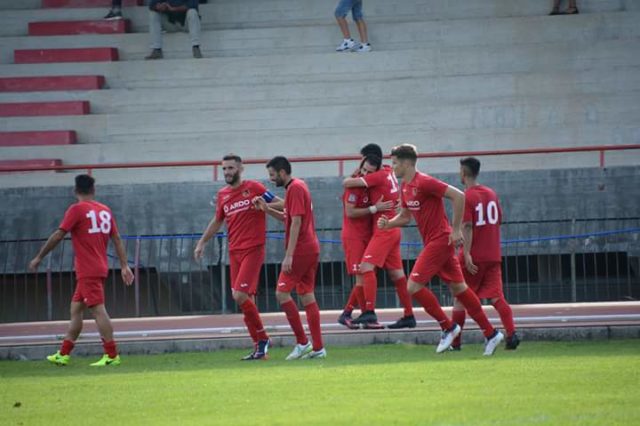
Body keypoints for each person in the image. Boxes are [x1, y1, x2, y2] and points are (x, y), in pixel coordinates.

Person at [378, 144, 504, 355]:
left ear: (407, 163)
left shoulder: (424, 181)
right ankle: (491, 334)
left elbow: (459, 196)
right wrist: (388, 223)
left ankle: (448, 327)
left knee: (412, 287)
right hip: (434, 242)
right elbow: (406, 216)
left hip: (440, 240)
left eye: (395, 163)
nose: (393, 168)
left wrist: (455, 230)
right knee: (460, 289)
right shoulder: (405, 187)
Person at [28, 175, 134, 366]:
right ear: (94, 190)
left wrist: (39, 257)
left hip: (87, 269)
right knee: (76, 309)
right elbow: (116, 239)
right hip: (98, 266)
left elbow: (59, 234)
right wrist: (124, 265)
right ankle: (64, 353)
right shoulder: (105, 210)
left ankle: (112, 355)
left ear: (75, 191)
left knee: (98, 310)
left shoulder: (76, 210)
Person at [194, 154, 276, 360]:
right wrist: (202, 241)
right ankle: (259, 348)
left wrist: (265, 207)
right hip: (235, 252)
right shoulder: (223, 195)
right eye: (224, 169)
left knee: (239, 295)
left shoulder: (255, 188)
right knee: (245, 301)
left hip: (253, 249)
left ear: (240, 169)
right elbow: (217, 220)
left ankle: (264, 339)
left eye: (230, 168)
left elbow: (282, 204)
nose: (227, 172)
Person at [254, 156, 326, 359]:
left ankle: (303, 342)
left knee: (282, 293)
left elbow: (295, 223)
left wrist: (289, 255)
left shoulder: (294, 188)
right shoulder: (299, 185)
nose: (270, 179)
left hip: (301, 250)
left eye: (272, 174)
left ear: (282, 172)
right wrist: (268, 210)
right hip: (311, 247)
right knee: (307, 295)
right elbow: (289, 218)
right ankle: (319, 348)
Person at [451, 157, 519, 350]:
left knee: (460, 297)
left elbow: (467, 226)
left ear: (463, 173)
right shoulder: (491, 193)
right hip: (493, 255)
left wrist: (466, 253)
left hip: (474, 256)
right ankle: (511, 334)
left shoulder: (467, 196)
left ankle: (455, 343)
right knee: (497, 298)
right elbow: (499, 220)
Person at [342, 152, 416, 330]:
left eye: (369, 171)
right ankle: (409, 315)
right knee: (397, 275)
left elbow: (346, 183)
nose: (366, 174)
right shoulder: (388, 171)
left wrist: (357, 175)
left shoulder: (377, 176)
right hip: (391, 228)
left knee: (365, 268)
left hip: (384, 228)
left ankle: (368, 312)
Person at [337, 154, 394, 329]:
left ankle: (355, 315)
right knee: (362, 277)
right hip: (353, 236)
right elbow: (350, 213)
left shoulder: (371, 183)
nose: (365, 173)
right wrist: (374, 208)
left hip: (366, 235)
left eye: (369, 172)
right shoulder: (354, 184)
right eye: (363, 169)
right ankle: (359, 315)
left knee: (366, 276)